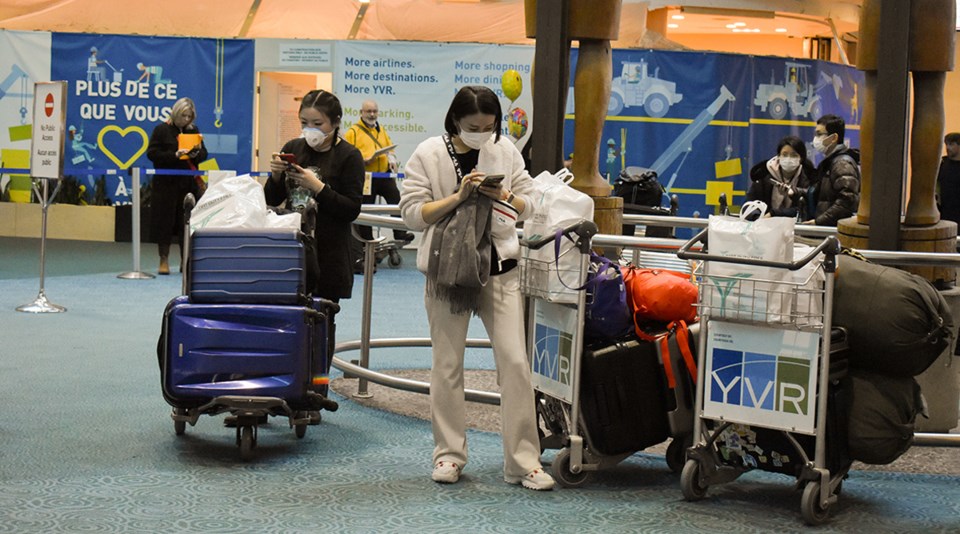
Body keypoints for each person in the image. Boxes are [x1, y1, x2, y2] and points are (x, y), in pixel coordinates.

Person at [399, 86, 555, 491]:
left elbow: (530, 203)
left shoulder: (505, 151)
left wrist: (504, 195)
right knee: (447, 366)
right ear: (455, 121)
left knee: (516, 365)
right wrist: (459, 196)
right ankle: (449, 455)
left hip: (500, 270)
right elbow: (414, 215)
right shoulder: (429, 154)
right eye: (473, 127)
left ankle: (524, 463)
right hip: (447, 274)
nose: (482, 134)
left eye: (489, 127)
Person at [265, 89, 364, 302]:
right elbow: (270, 201)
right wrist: (275, 176)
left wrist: (318, 188)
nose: (310, 130)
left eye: (318, 124)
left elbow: (351, 209)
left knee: (323, 319)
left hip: (330, 253)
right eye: (304, 123)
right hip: (293, 247)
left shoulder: (350, 156)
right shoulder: (293, 147)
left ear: (336, 122)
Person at [343, 99, 415, 273]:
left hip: (383, 175)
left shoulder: (381, 130)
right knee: (366, 209)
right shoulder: (353, 132)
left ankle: (400, 232)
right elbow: (346, 154)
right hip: (366, 177)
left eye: (374, 111)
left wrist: (391, 160)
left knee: (397, 200)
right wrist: (364, 160)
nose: (372, 114)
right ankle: (367, 242)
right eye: (368, 111)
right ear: (361, 113)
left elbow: (389, 148)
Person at [146, 97, 207, 275]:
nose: (186, 120)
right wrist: (175, 155)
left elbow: (204, 153)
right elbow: (152, 154)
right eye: (183, 116)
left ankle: (185, 261)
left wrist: (195, 154)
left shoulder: (193, 131)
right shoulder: (161, 129)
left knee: (186, 223)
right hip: (166, 185)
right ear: (175, 113)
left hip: (187, 184)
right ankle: (163, 260)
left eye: (189, 116)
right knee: (165, 222)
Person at [802, 115, 860, 226]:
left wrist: (819, 222)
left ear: (833, 138)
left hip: (831, 231)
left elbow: (847, 200)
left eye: (819, 134)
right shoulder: (830, 162)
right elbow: (824, 194)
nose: (816, 139)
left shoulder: (842, 164)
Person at [746, 135, 815, 219]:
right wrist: (758, 218)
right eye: (785, 154)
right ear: (778, 156)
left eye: (794, 155)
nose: (789, 159)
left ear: (801, 158)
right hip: (764, 226)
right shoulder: (763, 175)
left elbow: (807, 209)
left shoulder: (809, 177)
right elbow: (749, 204)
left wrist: (774, 213)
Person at [937, 132, 960, 227]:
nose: (947, 147)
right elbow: (936, 185)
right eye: (946, 144)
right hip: (945, 213)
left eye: (951, 144)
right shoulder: (942, 164)